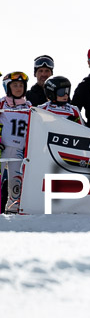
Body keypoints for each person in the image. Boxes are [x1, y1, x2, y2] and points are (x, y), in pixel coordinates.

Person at [0, 72, 32, 213]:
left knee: (16, 182)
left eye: (21, 85)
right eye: (15, 85)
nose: (18, 88)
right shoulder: (1, 103)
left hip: (19, 150)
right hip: (2, 149)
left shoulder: (29, 106)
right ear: (8, 87)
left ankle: (12, 210)